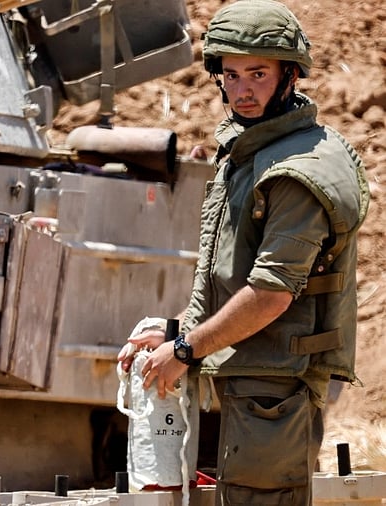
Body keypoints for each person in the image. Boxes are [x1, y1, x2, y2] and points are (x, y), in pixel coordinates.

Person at [118, 1, 369, 504]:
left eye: (258, 73)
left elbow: (270, 294)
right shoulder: (250, 151)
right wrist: (174, 332)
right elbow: (223, 271)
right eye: (230, 75)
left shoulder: (300, 168)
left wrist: (186, 350)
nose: (243, 90)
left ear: (290, 76)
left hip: (278, 391)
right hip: (251, 379)